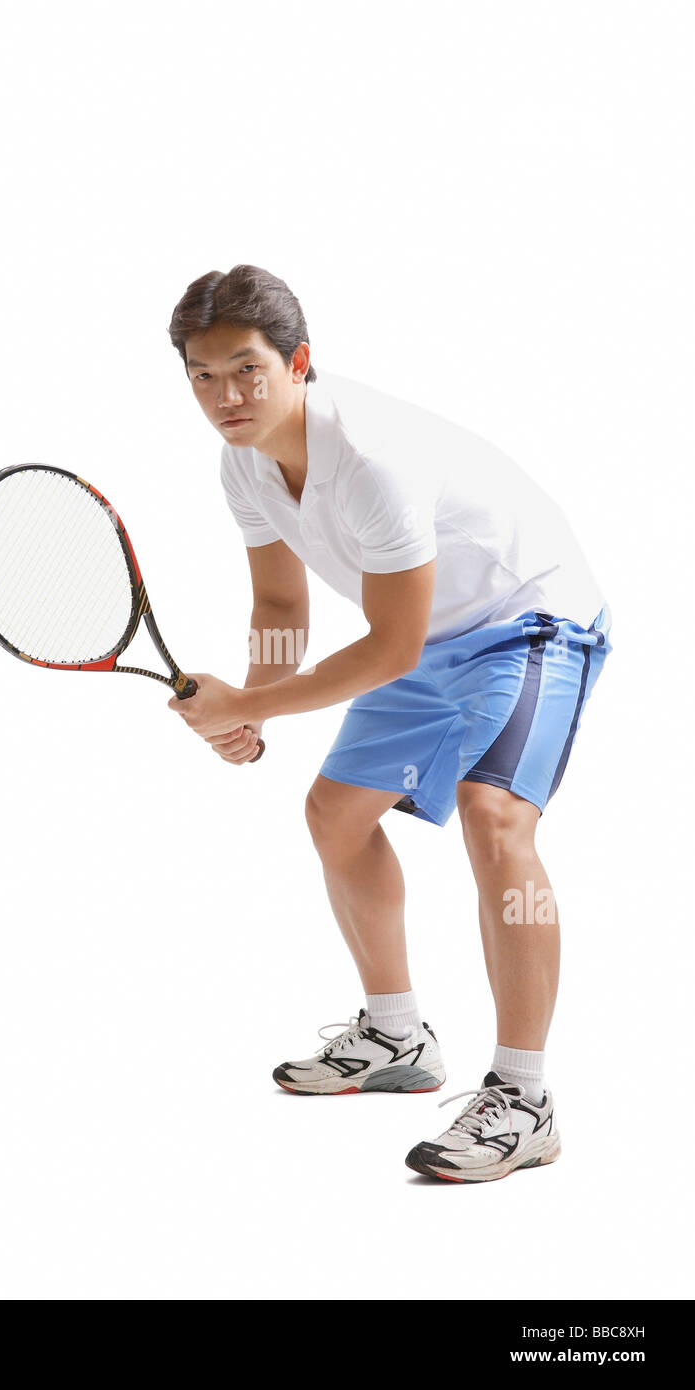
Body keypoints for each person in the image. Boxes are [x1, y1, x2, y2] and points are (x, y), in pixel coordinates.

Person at [166, 264, 611, 1183]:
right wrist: (254, 709)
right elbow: (281, 598)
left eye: (245, 369)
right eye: (202, 376)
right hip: (423, 638)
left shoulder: (368, 460)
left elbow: (391, 647)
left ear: (299, 364)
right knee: (334, 813)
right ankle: (397, 1038)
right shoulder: (242, 461)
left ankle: (525, 1099)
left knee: (497, 820)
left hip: (526, 620)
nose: (226, 396)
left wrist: (248, 704)